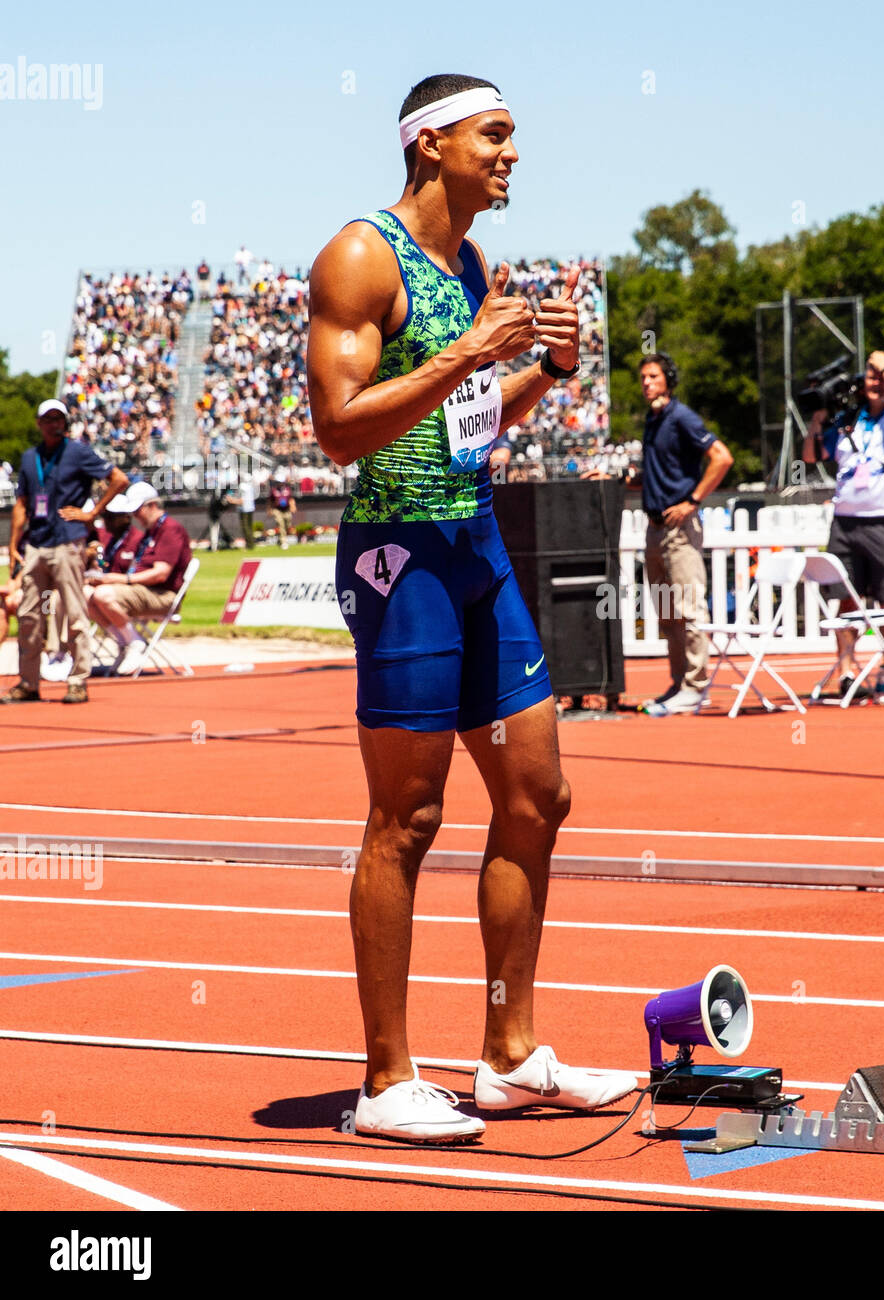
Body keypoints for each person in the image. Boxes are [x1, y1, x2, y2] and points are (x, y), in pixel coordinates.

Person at [307, 72, 636, 1144]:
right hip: (400, 555)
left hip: (475, 539)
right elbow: (340, 430)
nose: (511, 154)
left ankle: (506, 1053)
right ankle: (386, 1079)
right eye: (495, 135)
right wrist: (464, 353)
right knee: (407, 817)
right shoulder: (361, 256)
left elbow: (472, 423)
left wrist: (543, 369)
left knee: (539, 793)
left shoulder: (473, 263)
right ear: (431, 142)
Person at [802, 351, 884, 697]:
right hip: (846, 522)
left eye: (880, 375)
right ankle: (848, 671)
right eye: (868, 376)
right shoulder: (848, 420)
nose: (876, 380)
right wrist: (818, 417)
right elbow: (810, 456)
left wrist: (881, 362)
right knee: (846, 599)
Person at [3, 400, 127, 704]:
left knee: (74, 611)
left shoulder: (78, 452)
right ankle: (29, 682)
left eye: (58, 419)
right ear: (39, 423)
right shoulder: (31, 457)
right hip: (37, 543)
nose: (53, 424)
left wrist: (92, 513)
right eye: (48, 419)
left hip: (68, 541)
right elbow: (22, 503)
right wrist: (14, 541)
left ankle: (78, 680)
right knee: (29, 614)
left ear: (65, 422)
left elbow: (119, 478)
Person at [638, 352, 734, 716]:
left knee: (689, 609)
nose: (646, 383)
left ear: (668, 380)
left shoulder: (681, 416)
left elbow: (722, 457)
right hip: (654, 527)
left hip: (679, 528)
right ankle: (679, 683)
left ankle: (695, 686)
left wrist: (693, 500)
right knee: (666, 613)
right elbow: (661, 472)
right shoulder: (653, 419)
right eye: (643, 377)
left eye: (653, 376)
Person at [85, 482, 192, 676]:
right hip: (142, 591)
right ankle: (125, 641)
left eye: (137, 510)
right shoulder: (151, 531)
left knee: (103, 594)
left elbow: (160, 574)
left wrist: (120, 579)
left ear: (151, 506)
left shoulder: (170, 529)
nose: (134, 516)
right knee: (85, 595)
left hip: (162, 596)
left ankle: (135, 642)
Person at [268, 475, 296, 549]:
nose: (280, 484)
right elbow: (270, 501)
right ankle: (283, 542)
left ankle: (280, 539)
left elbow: (291, 499)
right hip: (277, 510)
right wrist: (269, 509)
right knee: (281, 524)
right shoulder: (273, 490)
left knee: (287, 525)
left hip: (286, 509)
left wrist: (293, 506)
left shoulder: (287, 489)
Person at [237, 474, 257, 548]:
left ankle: (249, 544)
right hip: (250, 508)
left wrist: (231, 500)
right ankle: (251, 543)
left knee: (245, 527)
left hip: (244, 509)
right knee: (250, 527)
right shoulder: (251, 486)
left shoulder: (242, 486)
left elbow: (241, 501)